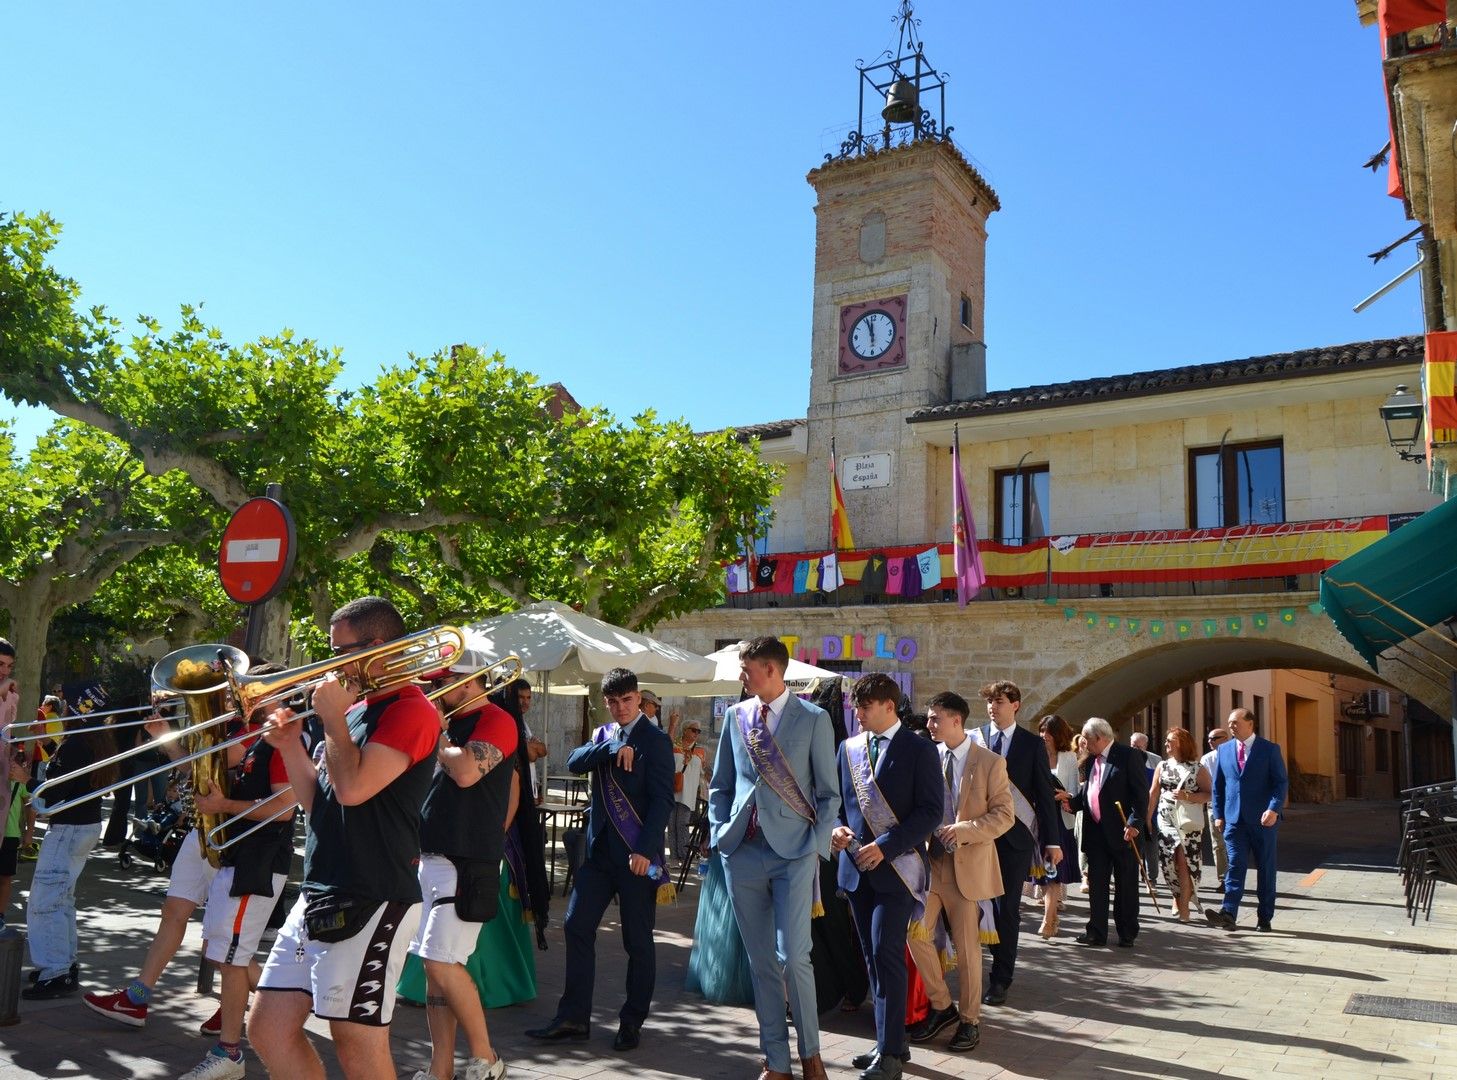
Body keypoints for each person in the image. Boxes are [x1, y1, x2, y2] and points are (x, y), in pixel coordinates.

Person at [249, 597, 442, 1080]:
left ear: (376, 648)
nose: (331, 664)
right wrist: (291, 743)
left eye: (340, 652)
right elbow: (319, 804)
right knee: (268, 1029)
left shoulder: (410, 710)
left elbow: (354, 789)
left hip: (373, 894)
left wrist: (332, 720)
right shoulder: (356, 710)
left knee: (356, 1041)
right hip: (322, 886)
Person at [85, 675, 283, 1035]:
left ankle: (270, 1006)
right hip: (204, 829)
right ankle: (137, 997)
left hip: (234, 840)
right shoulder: (227, 725)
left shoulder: (260, 732)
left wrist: (200, 731)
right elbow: (195, 770)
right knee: (174, 911)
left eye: (233, 690)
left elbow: (223, 761)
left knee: (219, 941)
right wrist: (166, 738)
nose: (227, 695)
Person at [707, 636, 839, 1080]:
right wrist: (717, 830)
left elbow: (828, 793)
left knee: (794, 957)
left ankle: (811, 1054)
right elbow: (721, 785)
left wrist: (816, 846)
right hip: (742, 853)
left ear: (771, 670)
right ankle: (776, 1061)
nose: (741, 678)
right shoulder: (736, 716)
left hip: (794, 854)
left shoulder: (815, 719)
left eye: (746, 670)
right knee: (760, 962)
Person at [525, 667, 674, 1053]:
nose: (621, 708)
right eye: (613, 702)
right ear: (604, 702)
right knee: (576, 927)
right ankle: (574, 1017)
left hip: (635, 858)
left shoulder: (656, 741)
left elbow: (662, 801)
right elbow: (574, 761)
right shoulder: (603, 737)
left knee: (637, 941)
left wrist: (645, 850)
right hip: (597, 855)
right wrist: (609, 748)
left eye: (627, 700)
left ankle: (631, 1020)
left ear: (638, 698)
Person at [177, 682, 305, 1080]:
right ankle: (272, 1019)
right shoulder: (256, 740)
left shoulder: (280, 743)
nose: (239, 701)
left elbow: (284, 809)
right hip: (240, 858)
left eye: (249, 694)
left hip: (259, 861)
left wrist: (223, 806)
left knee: (231, 957)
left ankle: (230, 1053)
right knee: (224, 951)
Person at [405, 659, 517, 1080]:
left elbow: (468, 772)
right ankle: (440, 1069)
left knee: (439, 962)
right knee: (436, 972)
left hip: (468, 860)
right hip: (435, 859)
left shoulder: (496, 719)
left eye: (442, 685)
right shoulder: (448, 724)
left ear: (470, 683)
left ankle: (487, 1058)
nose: (434, 693)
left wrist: (438, 733)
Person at [832, 673, 941, 1080]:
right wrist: (837, 829)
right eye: (855, 707)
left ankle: (892, 1056)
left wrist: (888, 845)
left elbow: (931, 811)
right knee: (873, 960)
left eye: (865, 707)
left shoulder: (918, 749)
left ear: (889, 706)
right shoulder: (849, 749)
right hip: (857, 869)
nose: (857, 714)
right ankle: (887, 1042)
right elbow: (842, 804)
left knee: (886, 954)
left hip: (897, 871)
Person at [906, 692, 1012, 1056]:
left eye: (935, 718)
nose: (929, 724)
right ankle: (941, 1006)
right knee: (914, 935)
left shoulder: (990, 762)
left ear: (956, 720)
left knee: (968, 950)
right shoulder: (926, 758)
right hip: (929, 867)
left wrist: (965, 829)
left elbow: (1004, 815)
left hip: (967, 869)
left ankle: (970, 1021)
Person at [971, 681, 1061, 1006]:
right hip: (978, 837)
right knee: (971, 906)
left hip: (1015, 839)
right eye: (990, 702)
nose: (993, 707)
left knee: (1005, 909)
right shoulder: (974, 739)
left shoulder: (1031, 744)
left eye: (999, 701)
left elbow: (1044, 796)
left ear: (1016, 705)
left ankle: (1000, 978)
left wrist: (1052, 841)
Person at [23, 707, 119, 999]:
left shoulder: (77, 742)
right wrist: (49, 744)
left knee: (46, 902)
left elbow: (53, 790)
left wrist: (25, 778)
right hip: (84, 826)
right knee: (62, 900)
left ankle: (56, 971)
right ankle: (64, 964)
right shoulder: (93, 739)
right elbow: (73, 775)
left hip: (68, 829)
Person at [1055, 718, 1144, 948]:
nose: (1083, 743)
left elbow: (1140, 795)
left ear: (1100, 738)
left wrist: (1134, 823)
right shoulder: (1091, 759)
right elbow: (1091, 793)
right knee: (1097, 886)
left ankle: (1126, 932)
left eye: (1086, 739)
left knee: (1125, 886)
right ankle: (1096, 932)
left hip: (1123, 833)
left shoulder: (1128, 756)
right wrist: (1072, 803)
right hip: (1096, 834)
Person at [1206, 707, 1288, 933]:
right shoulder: (1224, 750)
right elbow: (1218, 786)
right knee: (1235, 865)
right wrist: (1219, 814)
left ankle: (1264, 917)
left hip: (1264, 821)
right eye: (1230, 722)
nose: (1231, 726)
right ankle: (1228, 913)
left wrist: (1273, 809)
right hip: (1234, 821)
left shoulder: (1269, 749)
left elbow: (1280, 783)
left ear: (1250, 724)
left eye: (1235, 722)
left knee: (1266, 868)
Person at [1147, 727, 1210, 923]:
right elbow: (1154, 793)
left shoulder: (1198, 768)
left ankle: (1184, 908)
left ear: (1182, 743)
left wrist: (1188, 796)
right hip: (1165, 819)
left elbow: (1209, 794)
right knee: (1167, 861)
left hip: (1187, 822)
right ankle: (1177, 895)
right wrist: (1147, 818)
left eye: (1170, 740)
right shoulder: (1163, 766)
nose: (1166, 743)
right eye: (1166, 740)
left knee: (1183, 861)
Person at [1036, 715, 1081, 938]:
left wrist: (1066, 795)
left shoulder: (1069, 757)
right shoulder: (1036, 754)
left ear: (1058, 735)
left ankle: (1047, 920)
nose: (1044, 736)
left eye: (1049, 732)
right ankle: (1052, 917)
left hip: (1060, 819)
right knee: (1044, 873)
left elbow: (1075, 791)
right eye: (1042, 731)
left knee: (1053, 871)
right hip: (1040, 820)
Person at [1, 750, 33, 930]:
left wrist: (29, 832)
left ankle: (0, 915)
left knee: (5, 876)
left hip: (10, 834)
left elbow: (30, 805)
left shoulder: (17, 780)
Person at [670, 720, 707, 866]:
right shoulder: (673, 746)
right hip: (672, 789)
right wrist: (672, 725)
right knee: (671, 825)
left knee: (683, 824)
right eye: (693, 730)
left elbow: (703, 773)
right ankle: (673, 857)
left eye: (698, 731)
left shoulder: (701, 751)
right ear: (685, 730)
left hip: (689, 792)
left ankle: (684, 856)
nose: (696, 733)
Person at [1200, 727, 1231, 886]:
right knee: (1218, 844)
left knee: (1233, 843)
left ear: (1225, 738)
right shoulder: (1207, 759)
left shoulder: (1236, 754)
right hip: (1215, 804)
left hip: (1234, 804)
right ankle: (1223, 880)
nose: (1210, 742)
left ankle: (1234, 877)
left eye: (1214, 738)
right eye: (1209, 739)